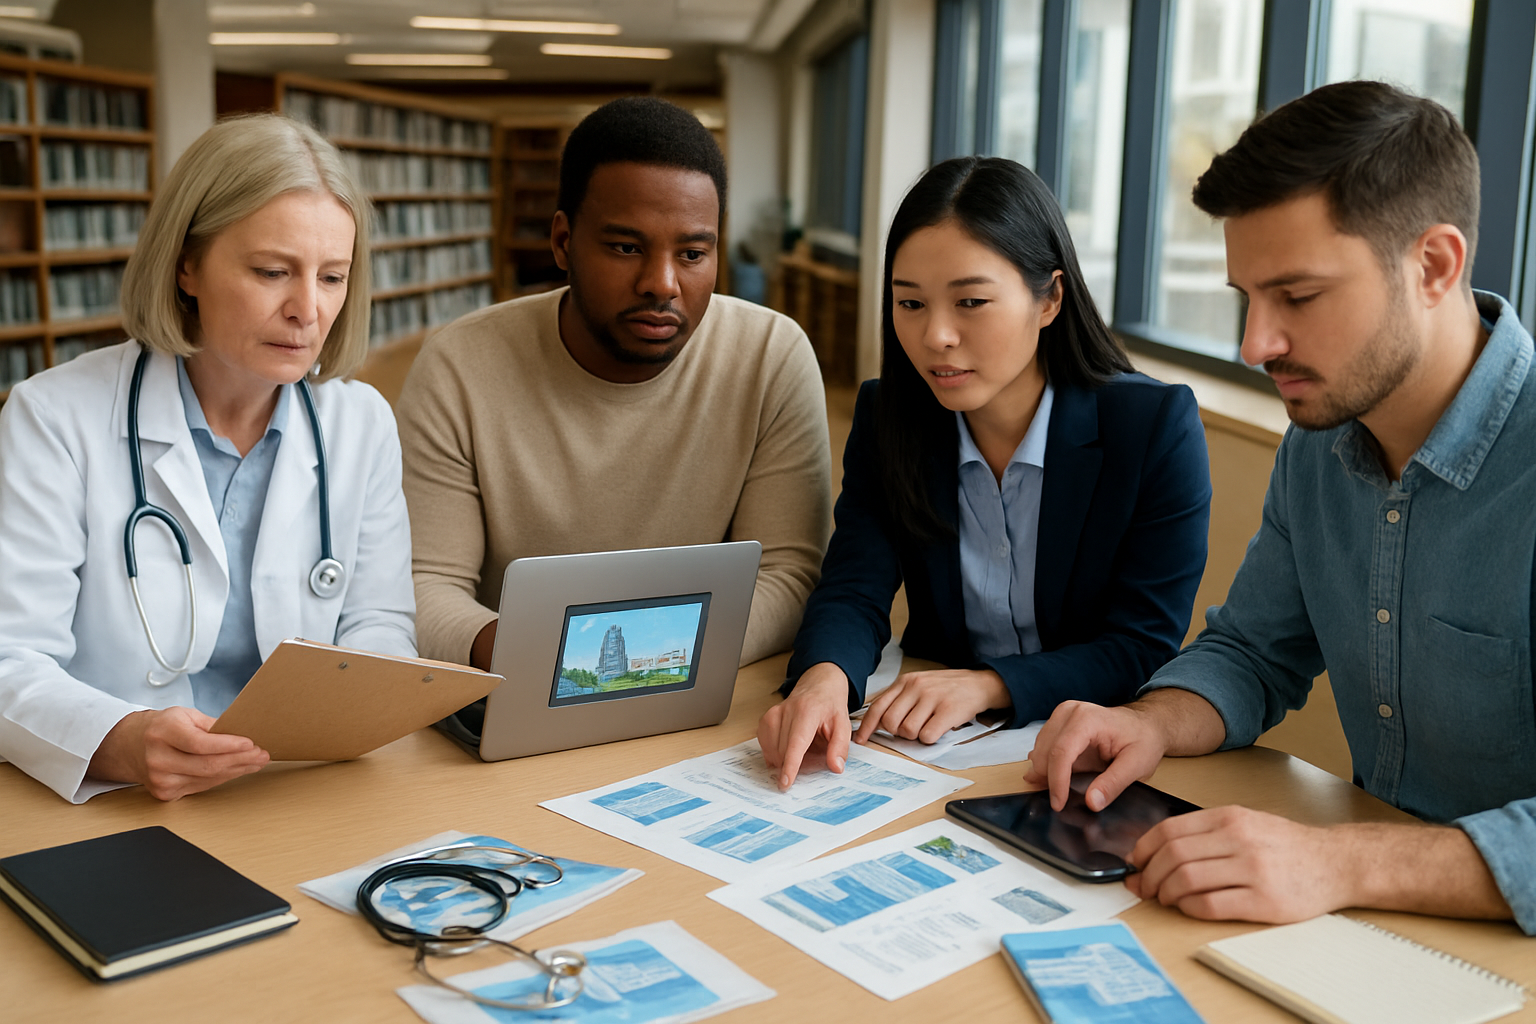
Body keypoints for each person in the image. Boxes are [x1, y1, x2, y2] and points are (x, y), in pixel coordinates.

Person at [1026, 81, 1536, 935]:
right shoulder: (1320, 441)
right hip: (1380, 923)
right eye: (1246, 298)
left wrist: (1339, 859)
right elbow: (1254, 652)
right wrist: (1147, 721)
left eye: (1297, 298)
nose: (1256, 344)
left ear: (1435, 266)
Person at [759, 156, 1212, 789]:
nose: (936, 335)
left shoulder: (1153, 427)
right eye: (909, 303)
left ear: (1050, 297)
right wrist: (824, 678)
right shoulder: (889, 414)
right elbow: (855, 587)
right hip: (934, 753)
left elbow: (1143, 644)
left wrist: (990, 686)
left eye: (971, 301)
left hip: (1079, 753)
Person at [0, 115, 415, 804]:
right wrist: (122, 740)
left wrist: (356, 709)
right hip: (119, 797)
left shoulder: (360, 421)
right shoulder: (53, 419)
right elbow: (8, 656)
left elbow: (379, 624)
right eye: (272, 271)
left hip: (301, 785)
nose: (307, 310)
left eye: (333, 277)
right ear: (186, 265)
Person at [398, 97, 830, 674]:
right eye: (626, 248)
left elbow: (790, 577)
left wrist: (640, 668)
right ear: (562, 243)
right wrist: (562, 667)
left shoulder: (771, 356)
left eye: (694, 253)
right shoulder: (459, 364)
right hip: (517, 685)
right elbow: (424, 585)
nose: (663, 283)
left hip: (695, 693)